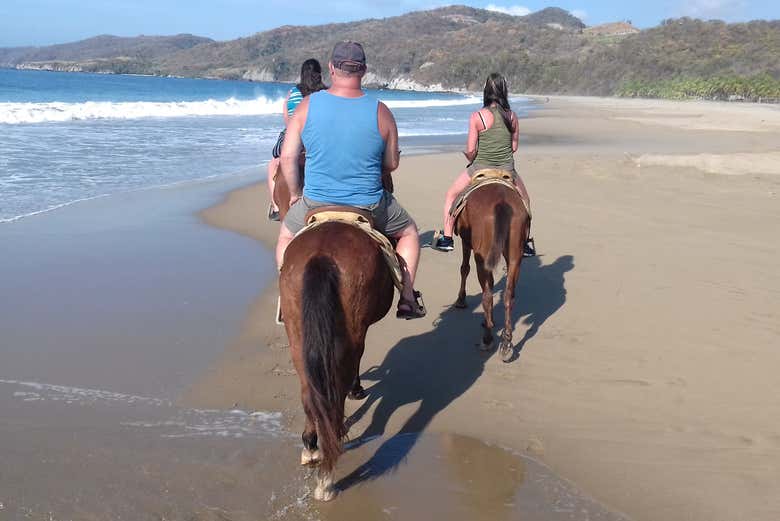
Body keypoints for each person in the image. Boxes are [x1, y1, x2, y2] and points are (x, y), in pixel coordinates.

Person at [276, 41, 425, 319]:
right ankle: (406, 297)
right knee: (409, 233)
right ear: (364, 71)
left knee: (285, 235)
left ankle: (286, 300)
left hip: (315, 202)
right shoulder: (381, 111)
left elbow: (287, 159)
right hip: (368, 204)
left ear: (332, 68)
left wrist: (296, 194)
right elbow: (391, 164)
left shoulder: (307, 105)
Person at [433, 73, 535, 256]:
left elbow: (471, 150)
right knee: (525, 200)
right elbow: (514, 147)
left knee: (451, 195)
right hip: (507, 169)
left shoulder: (477, 117)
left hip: (480, 167)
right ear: (504, 91)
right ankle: (526, 242)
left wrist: (471, 156)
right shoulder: (512, 117)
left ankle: (447, 239)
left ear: (486, 92)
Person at [266, 59, 327, 221]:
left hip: (297, 140)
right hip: (319, 141)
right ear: (320, 74)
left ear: (302, 74)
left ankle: (276, 206)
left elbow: (287, 119)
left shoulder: (293, 93)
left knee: (274, 163)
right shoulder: (327, 93)